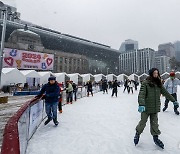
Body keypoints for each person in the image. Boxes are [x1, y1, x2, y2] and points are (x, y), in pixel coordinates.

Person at [134, 68, 179, 149]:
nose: (156, 75)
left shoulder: (159, 83)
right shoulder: (146, 83)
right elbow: (141, 94)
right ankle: (137, 134)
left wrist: (173, 100)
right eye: (154, 73)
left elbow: (166, 93)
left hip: (155, 108)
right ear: (151, 74)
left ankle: (156, 138)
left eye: (157, 73)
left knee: (155, 124)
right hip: (146, 108)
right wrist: (141, 104)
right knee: (142, 123)